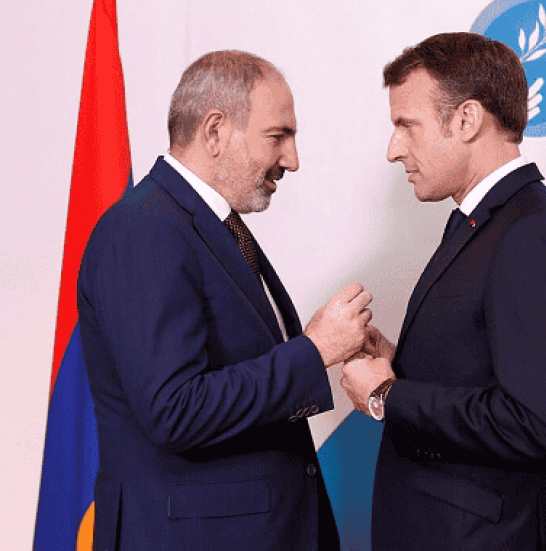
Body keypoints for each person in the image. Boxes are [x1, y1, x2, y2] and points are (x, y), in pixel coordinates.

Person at [77, 50, 371, 550]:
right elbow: (174, 410)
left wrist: (315, 345)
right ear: (215, 131)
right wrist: (314, 350)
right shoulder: (145, 229)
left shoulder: (211, 224)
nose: (292, 160)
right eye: (278, 136)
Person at [341, 33, 546, 550]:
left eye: (406, 125)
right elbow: (486, 365)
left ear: (467, 120)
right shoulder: (483, 220)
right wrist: (400, 361)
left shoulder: (534, 233)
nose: (393, 150)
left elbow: (535, 424)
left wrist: (389, 396)